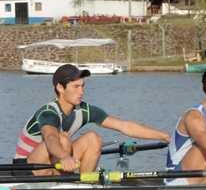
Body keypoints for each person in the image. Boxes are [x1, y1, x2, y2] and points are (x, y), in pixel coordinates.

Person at [14, 64, 170, 174]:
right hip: (26, 169)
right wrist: (65, 157)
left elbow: (125, 126)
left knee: (93, 138)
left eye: (83, 86)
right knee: (63, 139)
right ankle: (63, 180)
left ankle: (84, 185)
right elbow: (51, 138)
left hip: (57, 162)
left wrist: (164, 136)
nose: (81, 92)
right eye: (76, 87)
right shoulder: (48, 113)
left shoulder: (84, 110)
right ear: (60, 88)